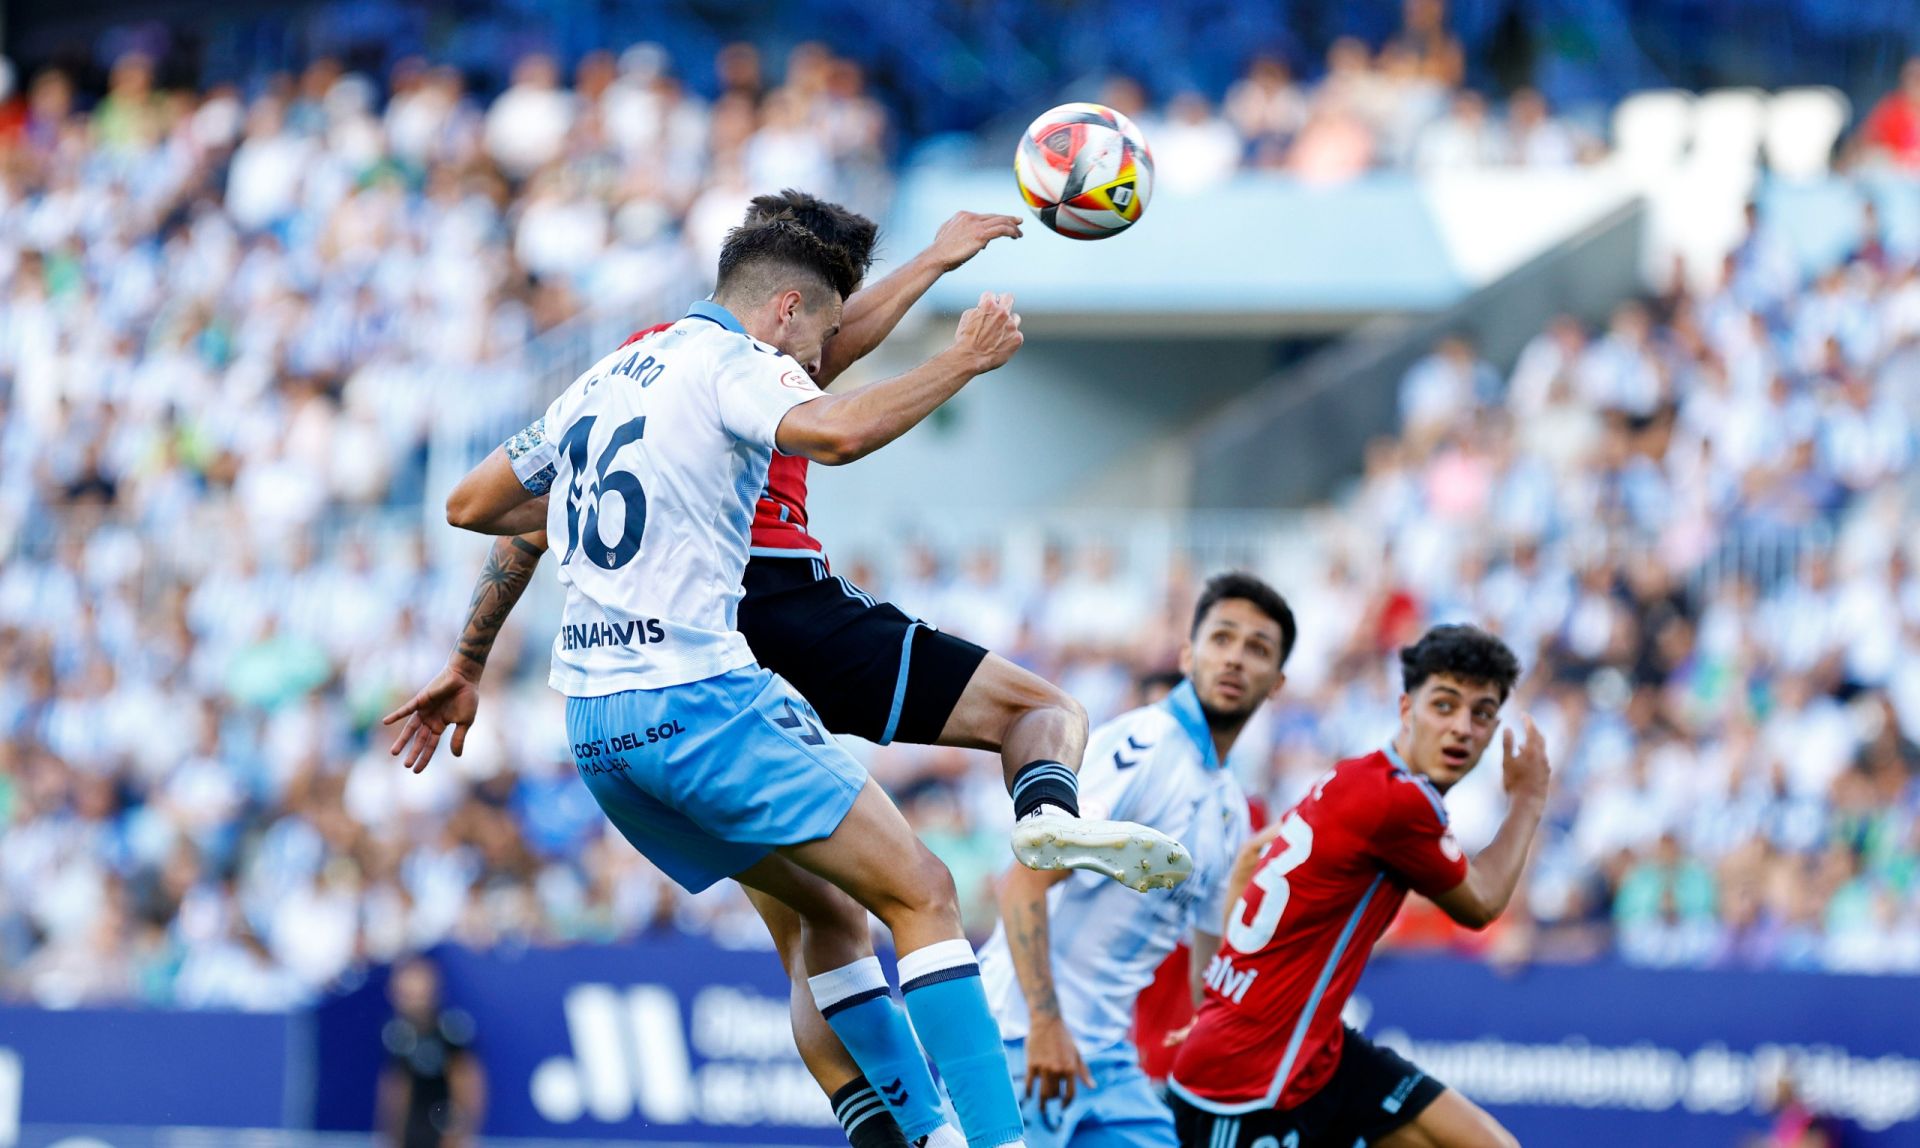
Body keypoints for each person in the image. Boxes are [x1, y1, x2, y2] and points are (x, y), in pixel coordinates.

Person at [387, 194, 1191, 1148]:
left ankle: (916, 1136)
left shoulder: (604, 380)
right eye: (817, 332)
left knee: (823, 924)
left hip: (598, 730)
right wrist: (964, 357)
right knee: (925, 889)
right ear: (783, 309)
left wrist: (469, 658)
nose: (816, 359)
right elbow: (836, 431)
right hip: (703, 692)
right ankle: (998, 1134)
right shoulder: (739, 366)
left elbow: (474, 504)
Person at [1168, 624, 1548, 1148]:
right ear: (1406, 708)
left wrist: (1222, 1004)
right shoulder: (1399, 803)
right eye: (1444, 705)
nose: (1462, 727)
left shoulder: (1351, 776)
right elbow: (1481, 905)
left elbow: (1257, 869)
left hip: (1315, 1049)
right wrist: (1527, 799)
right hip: (1248, 1079)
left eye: (1481, 713)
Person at [979, 572, 1297, 1148]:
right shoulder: (1146, 746)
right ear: (1188, 653)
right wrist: (1046, 1025)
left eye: (1257, 649)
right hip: (1019, 1040)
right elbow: (1023, 882)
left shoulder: (1230, 806)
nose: (1235, 659)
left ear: (1277, 682)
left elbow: (1208, 973)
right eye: (1222, 638)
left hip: (1107, 1059)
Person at [377, 957, 485, 1148]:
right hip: (411, 1136)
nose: (410, 999)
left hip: (440, 1136)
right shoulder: (398, 1034)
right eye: (404, 993)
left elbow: (468, 1087)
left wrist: (457, 1137)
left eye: (415, 992)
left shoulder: (449, 1031)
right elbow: (396, 1091)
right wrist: (392, 1136)